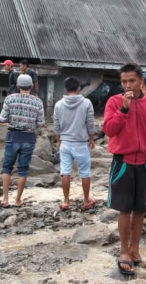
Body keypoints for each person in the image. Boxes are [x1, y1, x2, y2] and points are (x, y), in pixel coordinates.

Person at [103, 63, 146, 275]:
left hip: (144, 163)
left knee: (140, 209)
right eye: (124, 81)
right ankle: (124, 252)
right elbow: (109, 130)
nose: (127, 85)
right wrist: (124, 109)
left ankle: (135, 251)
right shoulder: (114, 102)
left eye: (132, 81)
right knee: (124, 209)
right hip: (122, 162)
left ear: (141, 81)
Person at [0, 74, 45, 208]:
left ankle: (5, 198)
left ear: (18, 86)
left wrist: (9, 123)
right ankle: (18, 200)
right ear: (31, 86)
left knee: (7, 168)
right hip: (29, 138)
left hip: (12, 137)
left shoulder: (9, 99)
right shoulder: (37, 102)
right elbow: (41, 122)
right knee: (23, 170)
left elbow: (2, 118)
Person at [53, 77, 96, 211]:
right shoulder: (86, 103)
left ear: (65, 89)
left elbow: (56, 124)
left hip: (65, 142)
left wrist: (58, 140)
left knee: (65, 171)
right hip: (80, 143)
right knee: (85, 173)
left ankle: (66, 201)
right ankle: (86, 200)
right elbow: (90, 122)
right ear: (79, 88)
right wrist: (91, 138)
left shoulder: (59, 104)